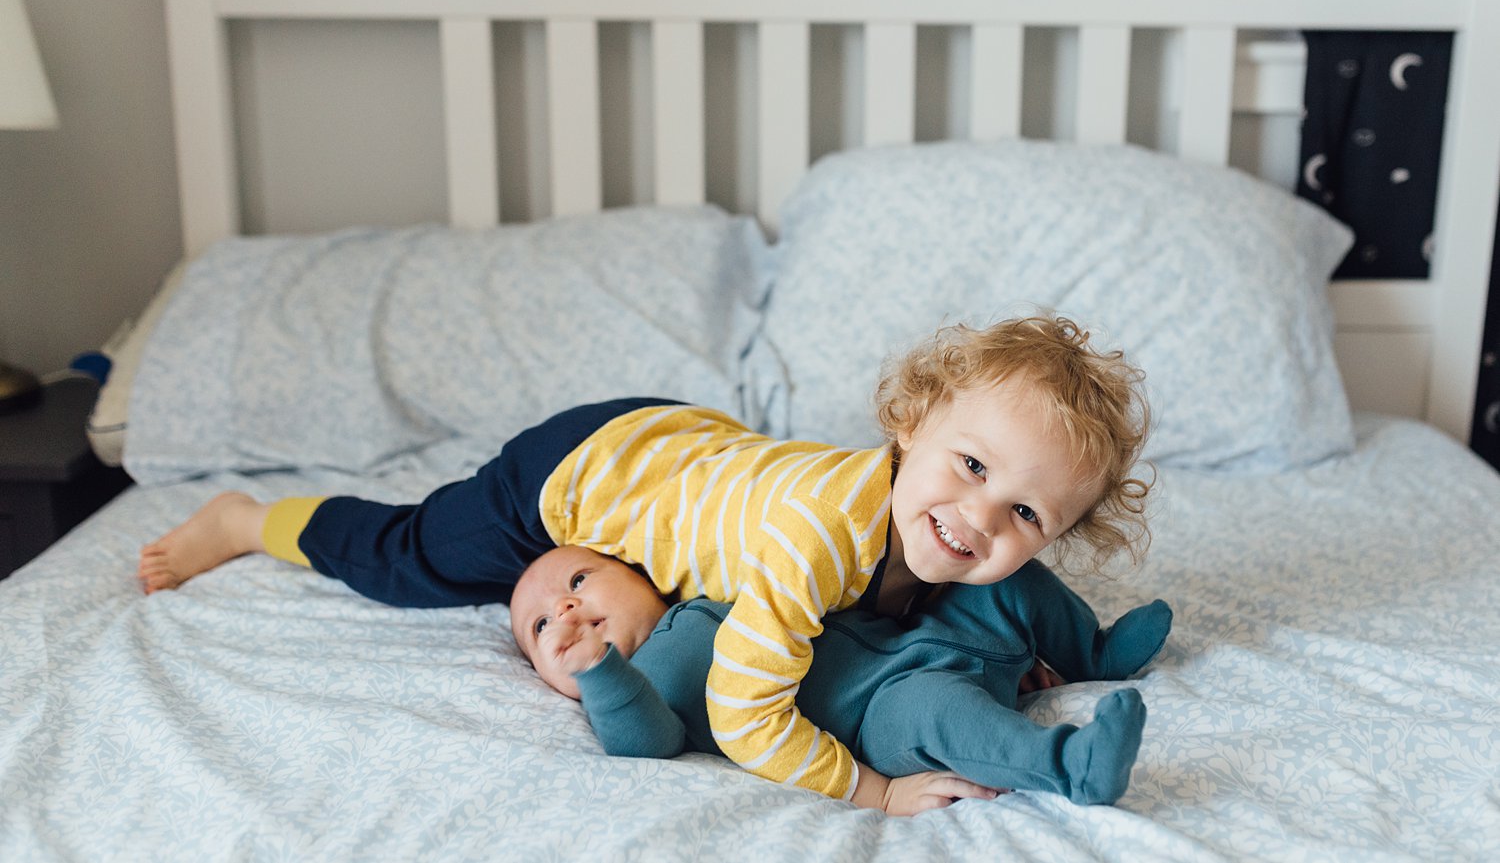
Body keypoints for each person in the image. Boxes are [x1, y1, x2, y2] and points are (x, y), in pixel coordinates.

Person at [139, 315, 1152, 814]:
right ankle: (247, 520)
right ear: (906, 423)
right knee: (416, 554)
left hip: (692, 443)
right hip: (584, 471)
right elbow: (752, 714)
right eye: (969, 464)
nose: (976, 516)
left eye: (1022, 509)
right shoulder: (816, 540)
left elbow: (932, 612)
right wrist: (872, 795)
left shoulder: (938, 530)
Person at [512, 545, 1172, 808]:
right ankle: (1072, 765)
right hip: (881, 710)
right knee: (940, 711)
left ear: (638, 574)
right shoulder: (637, 687)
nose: (564, 609)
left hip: (920, 633)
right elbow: (644, 740)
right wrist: (602, 675)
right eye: (541, 627)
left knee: (1005, 578)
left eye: (577, 579)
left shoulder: (711, 593)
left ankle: (1091, 652)